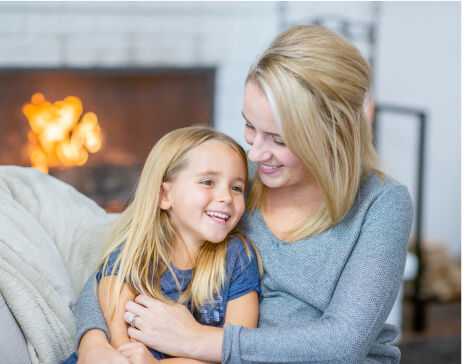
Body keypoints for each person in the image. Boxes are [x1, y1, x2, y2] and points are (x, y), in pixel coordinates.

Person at [75, 25, 413, 363]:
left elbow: (343, 343)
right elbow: (122, 261)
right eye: (251, 127)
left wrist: (196, 340)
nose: (254, 154)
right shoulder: (232, 184)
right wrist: (93, 343)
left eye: (279, 140)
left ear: (333, 136)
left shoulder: (382, 204)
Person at [63, 126, 262, 363]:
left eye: (236, 188)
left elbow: (236, 351)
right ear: (164, 195)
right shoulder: (131, 257)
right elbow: (121, 352)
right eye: (208, 182)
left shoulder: (238, 256)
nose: (226, 197)